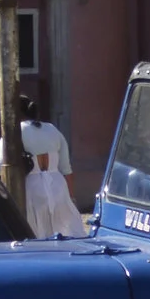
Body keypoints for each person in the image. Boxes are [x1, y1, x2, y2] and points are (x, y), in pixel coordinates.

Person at [18, 94, 89, 238]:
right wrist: (71, 198)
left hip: (33, 189)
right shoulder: (52, 129)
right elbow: (66, 170)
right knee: (67, 235)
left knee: (38, 236)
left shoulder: (16, 132)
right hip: (58, 187)